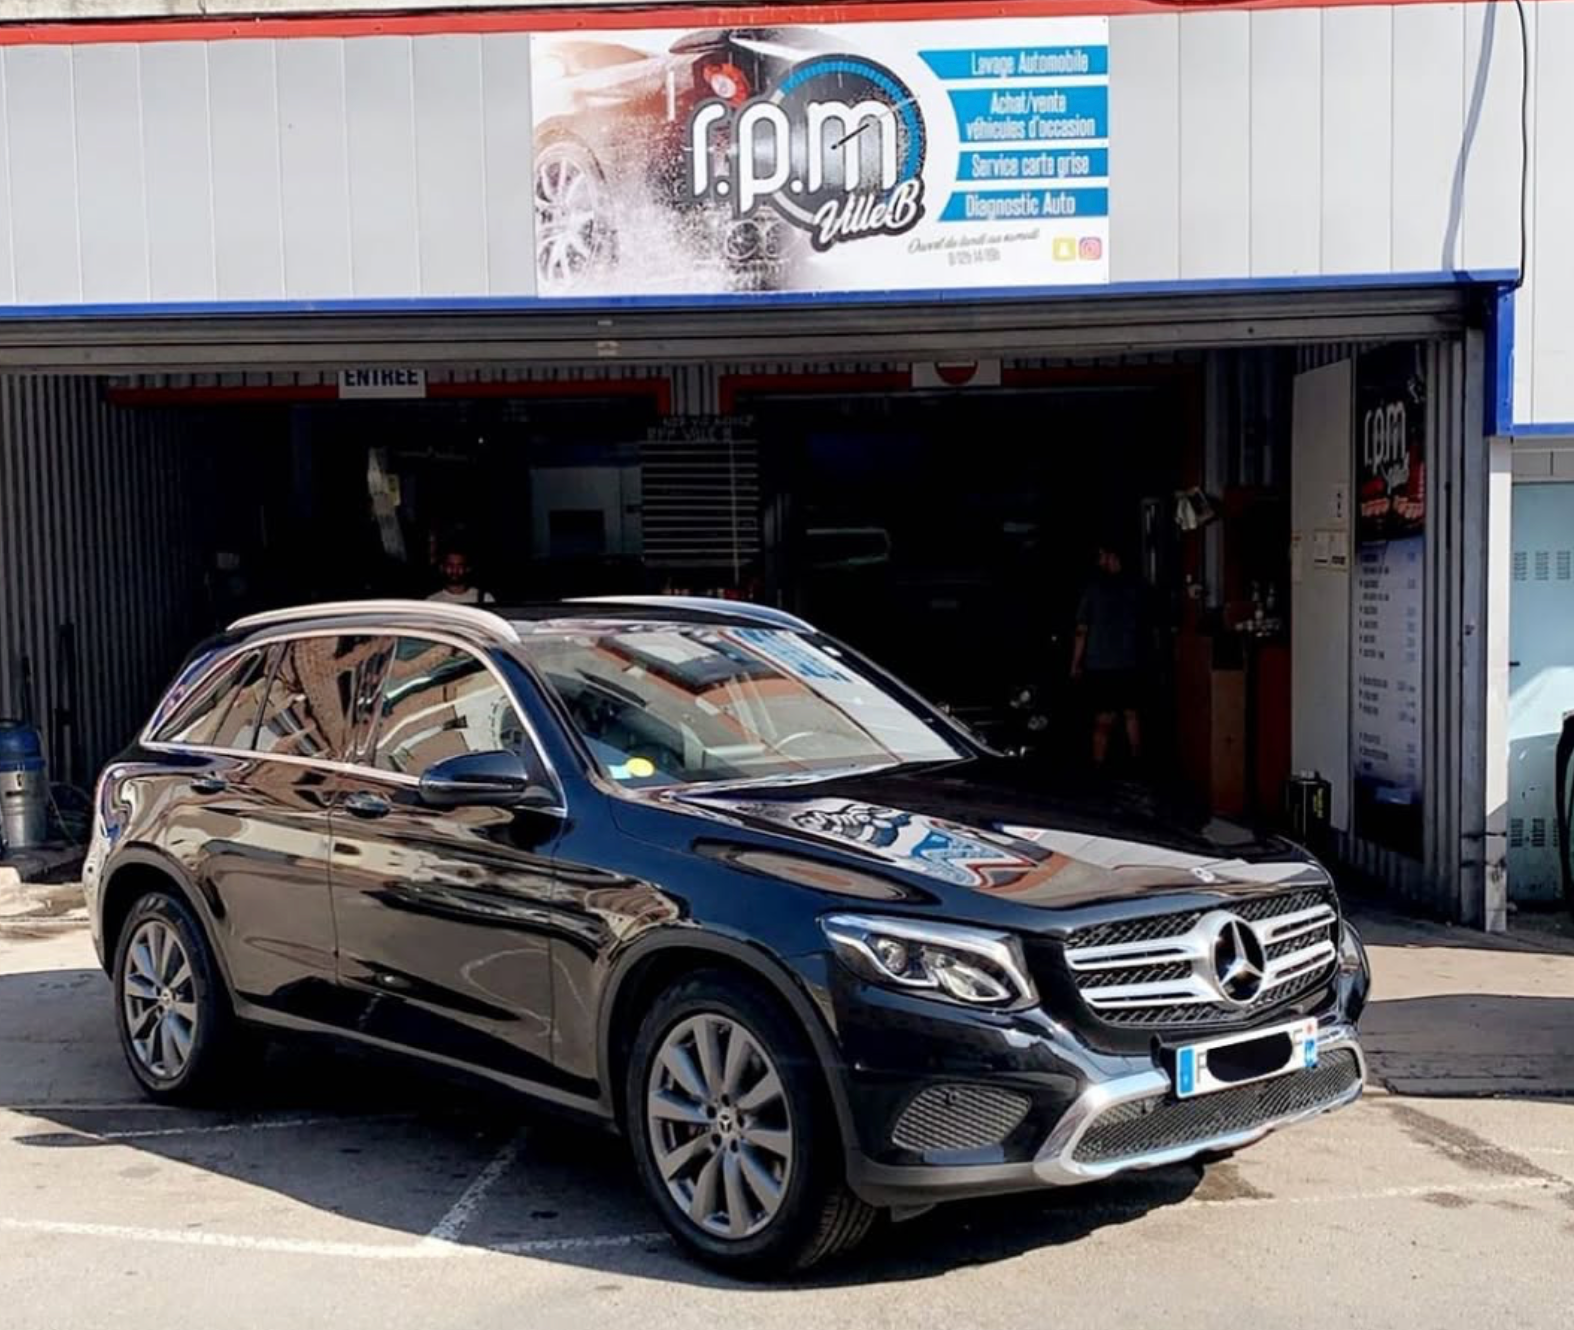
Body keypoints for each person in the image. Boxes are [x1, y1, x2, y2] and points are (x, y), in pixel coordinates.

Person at [1070, 541, 1145, 768]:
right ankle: (1137, 761)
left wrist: (1075, 663)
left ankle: (1099, 766)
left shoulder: (1093, 590)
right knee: (1131, 713)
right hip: (1129, 660)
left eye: (1102, 554)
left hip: (1101, 663)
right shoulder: (1136, 588)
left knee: (1103, 718)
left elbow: (1081, 630)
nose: (1099, 559)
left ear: (1112, 556)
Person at [427, 547, 495, 605]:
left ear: (467, 569)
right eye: (450, 565)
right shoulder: (432, 601)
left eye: (459, 566)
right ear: (442, 568)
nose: (455, 570)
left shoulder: (484, 598)